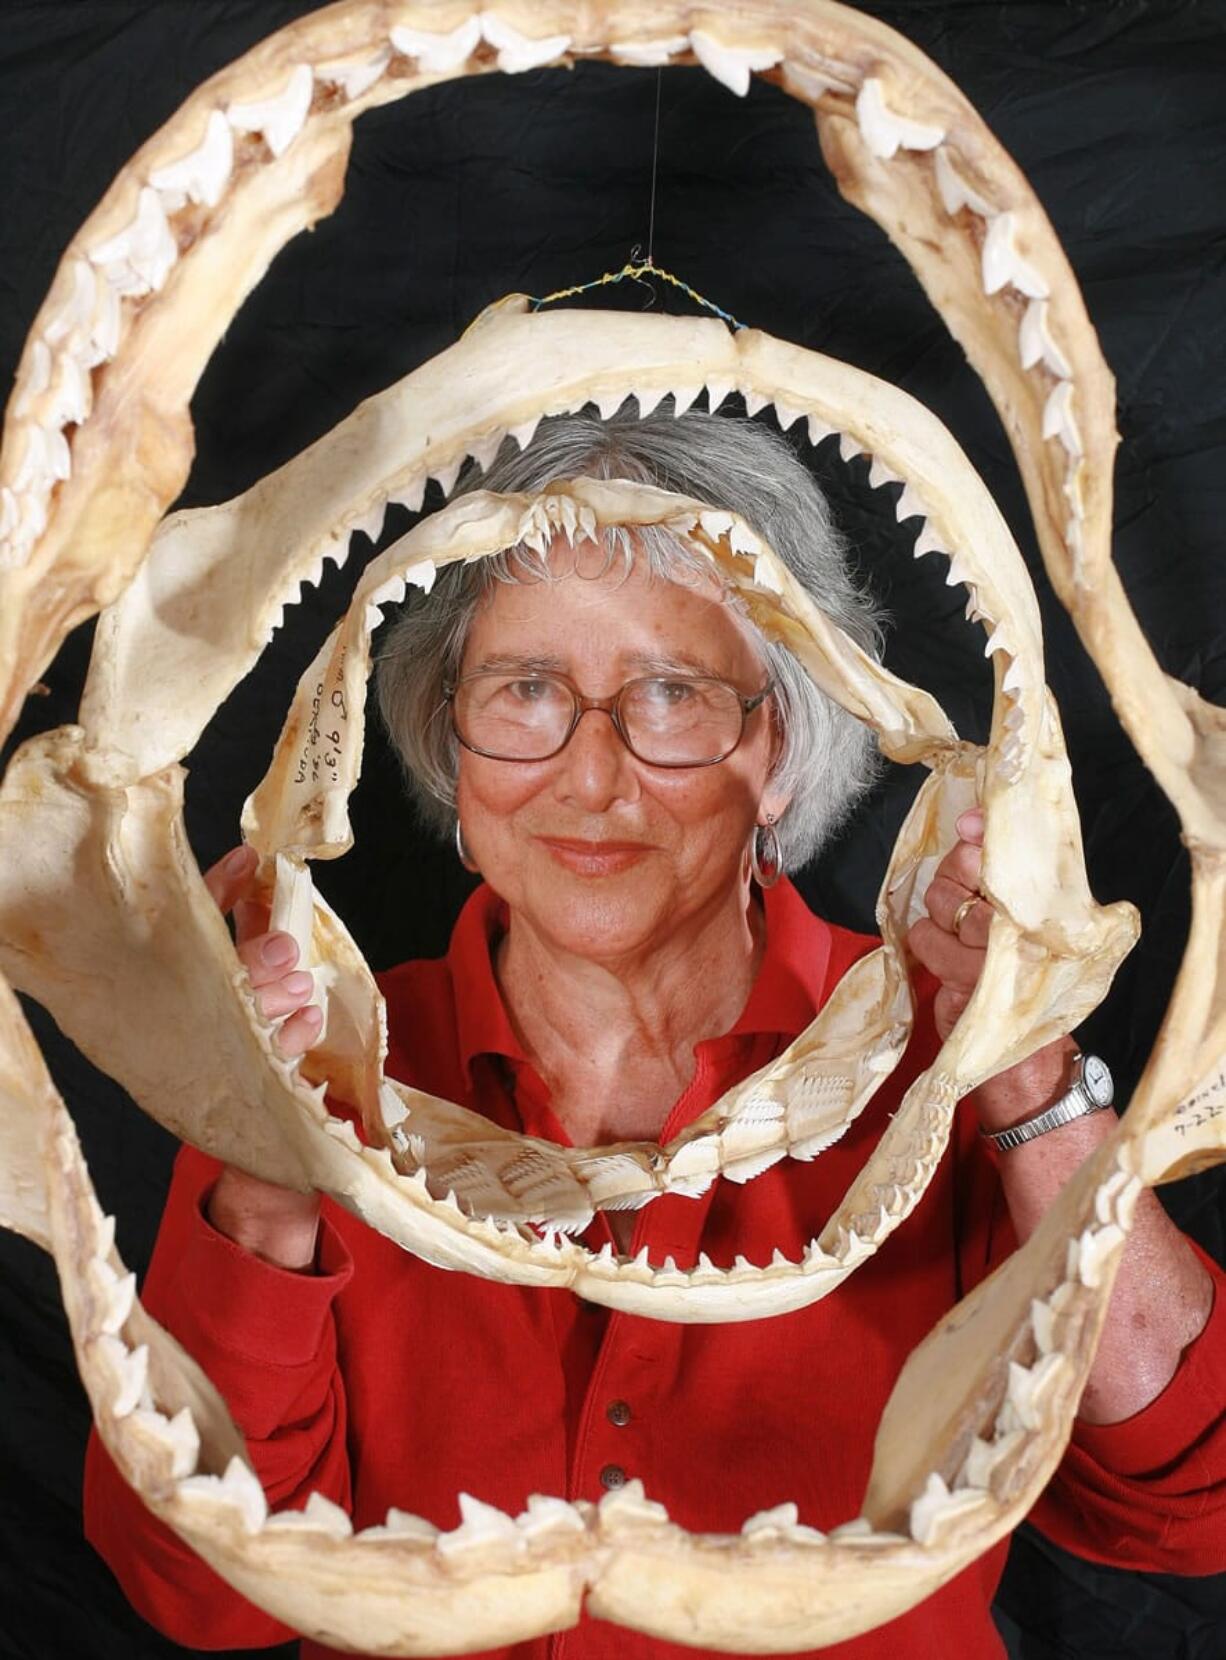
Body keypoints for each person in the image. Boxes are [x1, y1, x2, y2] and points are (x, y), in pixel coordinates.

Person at [85, 410, 1224, 1658]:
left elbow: (1183, 1510)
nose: (589, 775)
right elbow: (197, 1594)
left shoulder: (953, 1060)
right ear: (441, 741)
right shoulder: (304, 1069)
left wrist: (1026, 1076)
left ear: (783, 746)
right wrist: (259, 1169)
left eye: (669, 694)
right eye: (526, 691)